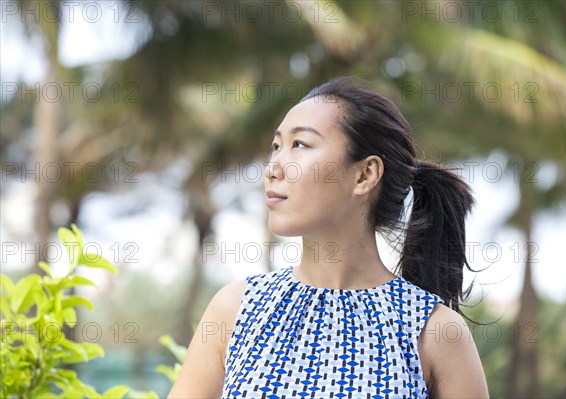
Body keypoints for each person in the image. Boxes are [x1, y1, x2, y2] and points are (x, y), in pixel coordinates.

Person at [168, 77, 489, 398]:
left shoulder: (435, 332)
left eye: (300, 145)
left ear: (365, 174)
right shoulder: (236, 310)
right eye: (276, 146)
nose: (273, 168)